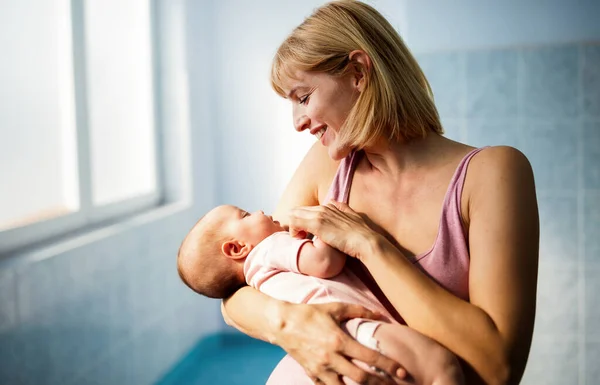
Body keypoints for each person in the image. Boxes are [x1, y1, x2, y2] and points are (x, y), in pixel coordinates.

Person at [221, 1, 540, 384]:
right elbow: (240, 286)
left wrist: (369, 245)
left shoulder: (493, 174)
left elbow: (498, 367)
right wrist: (292, 325)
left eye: (303, 98)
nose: (298, 122)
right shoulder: (329, 164)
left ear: (358, 72)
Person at [177, 204, 465, 385]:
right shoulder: (269, 248)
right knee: (440, 368)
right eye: (247, 214)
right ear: (236, 248)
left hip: (323, 348)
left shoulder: (258, 282)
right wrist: (326, 226)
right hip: (351, 329)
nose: (262, 211)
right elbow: (325, 262)